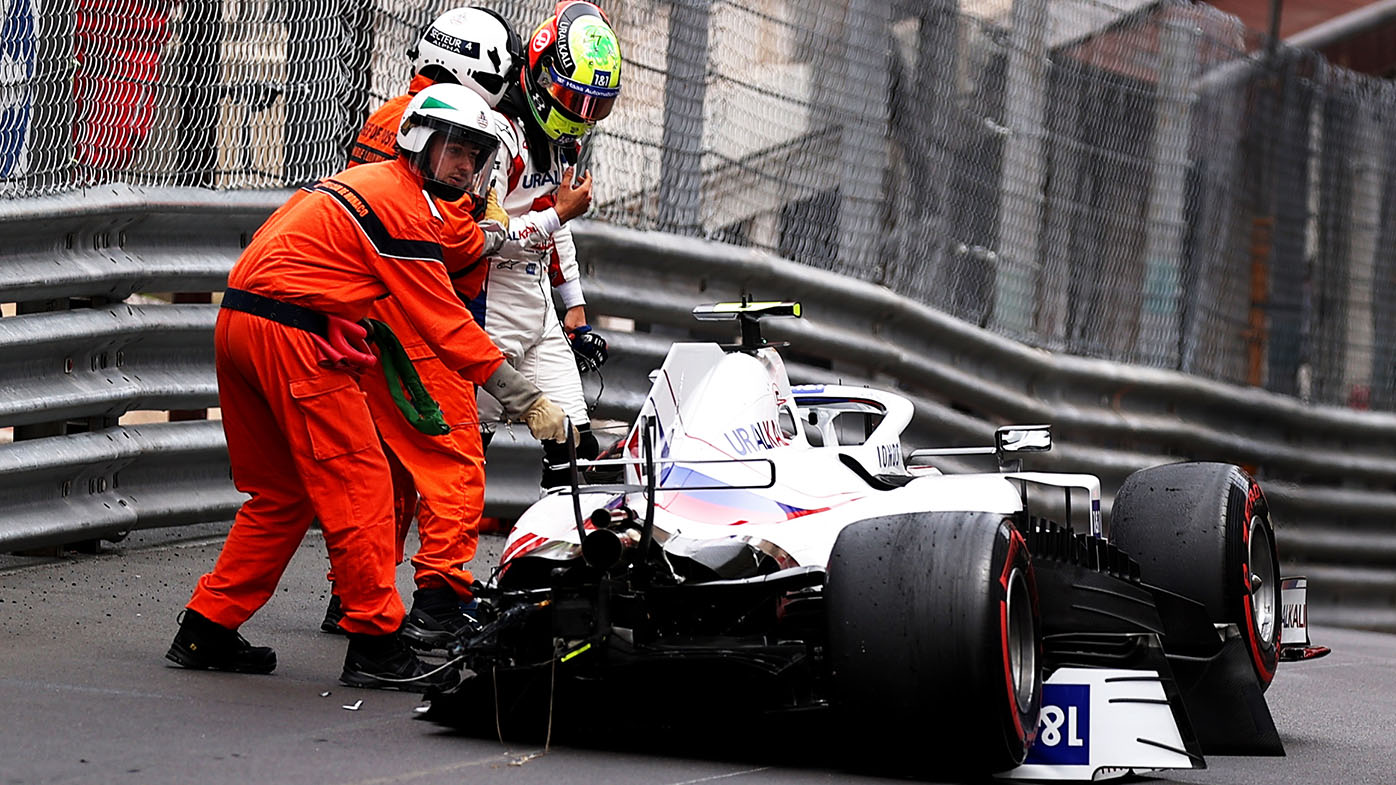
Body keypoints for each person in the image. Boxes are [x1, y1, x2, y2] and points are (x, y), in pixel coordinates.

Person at [165, 83, 570, 691]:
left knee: (282, 494)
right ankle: (377, 643)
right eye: (455, 148)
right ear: (417, 143)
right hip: (292, 337)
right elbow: (446, 326)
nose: (465, 164)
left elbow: (304, 258)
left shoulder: (369, 185)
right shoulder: (402, 208)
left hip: (243, 324)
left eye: (476, 153)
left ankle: (207, 625)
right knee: (363, 485)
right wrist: (528, 399)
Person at [321, 6, 595, 651]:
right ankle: (436, 599)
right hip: (416, 313)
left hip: (372, 309)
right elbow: (458, 241)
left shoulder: (392, 118)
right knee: (453, 460)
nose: (470, 158)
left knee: (382, 468)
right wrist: (540, 224)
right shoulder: (444, 129)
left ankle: (357, 596)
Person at [473, 0, 621, 489]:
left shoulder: (558, 145)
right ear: (539, 74)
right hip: (486, 304)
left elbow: (558, 229)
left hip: (537, 304)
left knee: (577, 447)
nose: (581, 115)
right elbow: (483, 239)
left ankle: (558, 559)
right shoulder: (498, 136)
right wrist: (559, 212)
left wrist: (574, 307)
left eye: (593, 104)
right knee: (468, 448)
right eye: (572, 97)